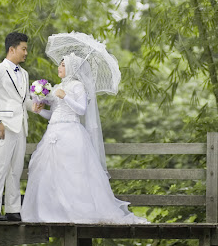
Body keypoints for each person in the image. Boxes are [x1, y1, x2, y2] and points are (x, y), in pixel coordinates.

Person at [21, 53, 148, 224]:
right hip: (53, 132)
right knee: (51, 173)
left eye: (64, 65)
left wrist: (64, 95)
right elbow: (53, 115)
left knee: (72, 174)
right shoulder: (58, 85)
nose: (59, 67)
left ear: (72, 68)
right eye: (60, 64)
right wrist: (40, 111)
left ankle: (76, 212)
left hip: (71, 133)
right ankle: (52, 212)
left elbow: (81, 110)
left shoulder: (77, 86)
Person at [0, 31, 36, 221]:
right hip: (3, 126)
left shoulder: (25, 74)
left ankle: (13, 209)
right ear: (12, 49)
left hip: (20, 126)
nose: (26, 53)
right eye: (24, 49)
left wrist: (36, 105)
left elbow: (24, 101)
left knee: (15, 169)